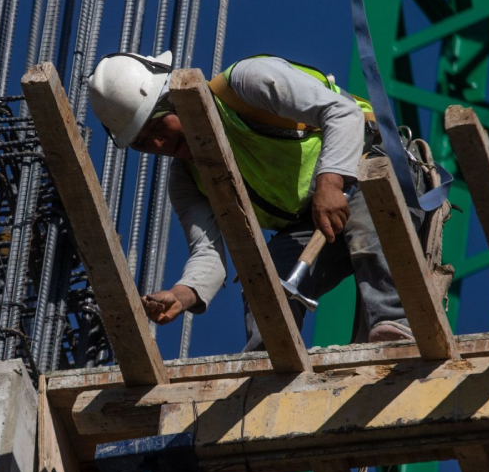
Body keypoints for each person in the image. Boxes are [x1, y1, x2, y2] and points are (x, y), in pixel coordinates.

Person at [87, 51, 427, 350]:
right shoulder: (188, 179)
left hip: (373, 172)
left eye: (158, 128)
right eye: (144, 143)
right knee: (265, 279)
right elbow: (208, 252)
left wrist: (330, 183)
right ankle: (271, 362)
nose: (158, 145)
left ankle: (393, 325)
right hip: (313, 221)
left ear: (173, 100)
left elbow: (342, 113)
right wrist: (183, 293)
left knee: (370, 229)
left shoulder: (246, 84)